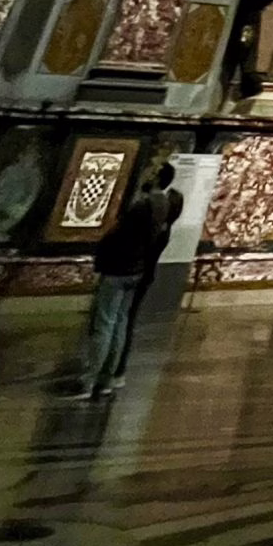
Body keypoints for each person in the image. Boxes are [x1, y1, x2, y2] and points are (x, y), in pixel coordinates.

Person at [75, 161, 182, 398]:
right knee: (120, 323)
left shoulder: (142, 206)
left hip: (119, 268)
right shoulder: (164, 204)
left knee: (105, 323)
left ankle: (90, 380)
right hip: (137, 269)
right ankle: (108, 378)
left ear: (156, 178)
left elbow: (116, 235)